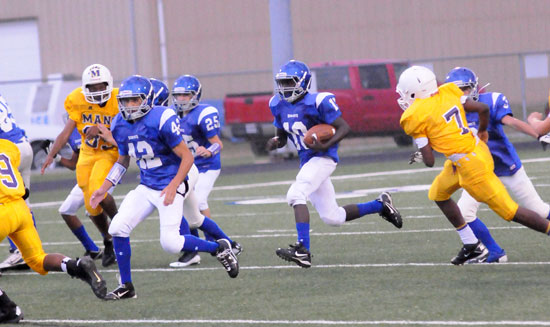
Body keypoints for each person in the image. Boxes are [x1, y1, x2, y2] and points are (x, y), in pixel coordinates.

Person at [90, 75, 239, 301]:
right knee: (118, 228)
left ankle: (218, 249)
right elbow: (122, 160)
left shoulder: (160, 118)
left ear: (147, 100)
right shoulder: (119, 123)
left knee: (170, 243)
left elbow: (187, 157)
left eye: (135, 100)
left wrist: (173, 185)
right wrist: (104, 188)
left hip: (175, 177)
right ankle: (126, 286)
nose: (129, 106)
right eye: (126, 101)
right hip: (148, 184)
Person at [397, 65, 550, 265]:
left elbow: (429, 161)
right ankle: (473, 245)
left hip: (480, 166)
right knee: (438, 194)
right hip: (467, 156)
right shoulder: (448, 93)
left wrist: (422, 142)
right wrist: (482, 132)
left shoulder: (415, 116)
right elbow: (477, 111)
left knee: (511, 211)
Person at [266, 60, 403, 268]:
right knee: (333, 217)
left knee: (295, 194)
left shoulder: (318, 101)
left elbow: (343, 127)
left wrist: (326, 145)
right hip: (307, 161)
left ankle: (302, 250)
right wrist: (276, 142)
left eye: (290, 83)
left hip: (324, 158)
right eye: (282, 83)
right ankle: (380, 205)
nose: (285, 88)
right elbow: (283, 136)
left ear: (303, 82)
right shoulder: (277, 104)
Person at [443, 67, 550, 263]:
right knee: (464, 212)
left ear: (474, 88)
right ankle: (495, 252)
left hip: (506, 166)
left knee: (539, 210)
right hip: (479, 171)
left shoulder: (490, 101)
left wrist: (538, 135)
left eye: (465, 89)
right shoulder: (449, 112)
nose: (462, 94)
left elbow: (512, 122)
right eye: (457, 89)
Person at [0, 139, 107, 301]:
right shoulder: (6, 146)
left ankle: (7, 307)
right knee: (37, 259)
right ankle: (76, 265)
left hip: (2, 212)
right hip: (21, 208)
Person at [41, 64, 118, 267]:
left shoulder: (119, 99)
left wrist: (102, 128)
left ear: (109, 84)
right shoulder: (77, 99)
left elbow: (128, 129)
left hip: (108, 152)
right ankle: (108, 240)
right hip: (87, 153)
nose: (97, 91)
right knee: (91, 206)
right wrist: (52, 154)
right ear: (85, 88)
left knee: (96, 190)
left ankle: (120, 225)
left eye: (101, 86)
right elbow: (66, 132)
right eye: (92, 87)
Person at [169, 74, 241, 268]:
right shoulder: (171, 115)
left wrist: (209, 151)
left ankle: (209, 246)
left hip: (206, 166)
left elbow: (218, 143)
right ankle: (224, 244)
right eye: (178, 95)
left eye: (186, 95)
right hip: (188, 167)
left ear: (196, 96)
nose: (181, 99)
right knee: (194, 205)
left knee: (196, 202)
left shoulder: (204, 113)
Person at [45, 119, 109, 260]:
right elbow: (74, 164)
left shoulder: (101, 121)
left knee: (92, 209)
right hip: (86, 177)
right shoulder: (74, 131)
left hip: (105, 174)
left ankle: (112, 246)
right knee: (66, 210)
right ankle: (92, 249)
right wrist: (57, 157)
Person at [0, 93, 32, 272]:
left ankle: (19, 251)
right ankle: (27, 251)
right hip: (23, 145)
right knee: (23, 203)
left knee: (4, 204)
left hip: (7, 152)